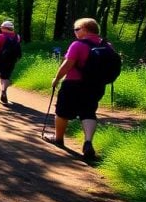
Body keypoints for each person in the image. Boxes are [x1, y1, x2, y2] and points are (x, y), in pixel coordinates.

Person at [44, 17, 109, 160]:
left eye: (76, 29)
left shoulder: (78, 45)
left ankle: (58, 139)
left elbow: (67, 65)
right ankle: (88, 142)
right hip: (96, 86)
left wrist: (56, 79)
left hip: (74, 84)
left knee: (62, 111)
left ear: (85, 29)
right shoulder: (107, 46)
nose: (75, 32)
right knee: (88, 113)